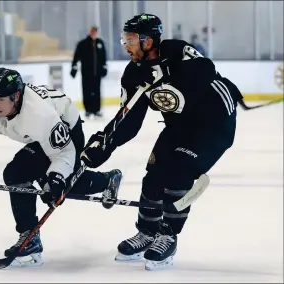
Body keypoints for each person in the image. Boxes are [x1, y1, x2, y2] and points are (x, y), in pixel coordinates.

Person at [81, 13, 242, 270]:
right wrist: (104, 144)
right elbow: (129, 121)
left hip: (214, 124)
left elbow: (205, 70)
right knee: (154, 175)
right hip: (179, 126)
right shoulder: (133, 73)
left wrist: (172, 82)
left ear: (149, 40)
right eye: (125, 38)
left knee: (178, 171)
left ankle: (168, 235)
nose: (126, 45)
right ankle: (147, 232)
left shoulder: (176, 51)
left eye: (132, 39)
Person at [0, 67, 123, 267]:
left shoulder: (40, 114)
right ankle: (30, 236)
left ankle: (106, 180)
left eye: (1, 99)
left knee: (57, 183)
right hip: (40, 135)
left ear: (16, 96)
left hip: (66, 127)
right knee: (21, 175)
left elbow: (63, 153)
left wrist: (57, 178)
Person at [70, 26, 107, 119]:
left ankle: (96, 110)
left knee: (97, 91)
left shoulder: (100, 43)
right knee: (87, 91)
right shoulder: (83, 44)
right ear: (90, 32)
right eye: (93, 32)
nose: (94, 33)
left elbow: (103, 58)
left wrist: (104, 67)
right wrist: (74, 67)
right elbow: (76, 57)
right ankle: (88, 110)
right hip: (86, 73)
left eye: (96, 32)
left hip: (97, 73)